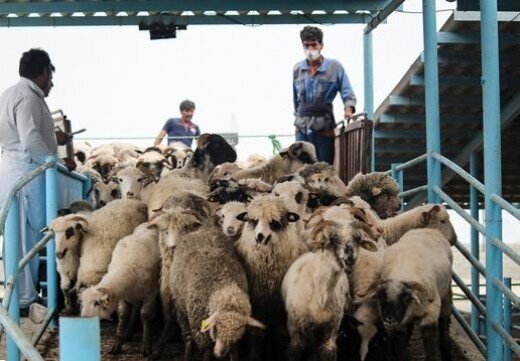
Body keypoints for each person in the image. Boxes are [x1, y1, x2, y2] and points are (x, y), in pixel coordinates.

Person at [0, 48, 74, 313]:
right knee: (25, 237)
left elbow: (26, 135)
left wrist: (54, 138)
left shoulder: (11, 93)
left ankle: (23, 296)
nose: (50, 82)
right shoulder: (28, 97)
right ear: (43, 71)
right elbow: (30, 138)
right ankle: (23, 300)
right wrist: (53, 162)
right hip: (25, 173)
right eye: (50, 75)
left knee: (20, 236)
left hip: (15, 168)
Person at [293, 26, 357, 165]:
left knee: (324, 169)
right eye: (306, 45)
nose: (310, 49)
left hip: (324, 127)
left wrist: (348, 109)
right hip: (302, 127)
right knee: (300, 170)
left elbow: (347, 91)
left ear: (321, 45)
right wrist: (297, 119)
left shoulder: (334, 67)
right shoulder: (297, 69)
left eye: (314, 45)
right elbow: (295, 100)